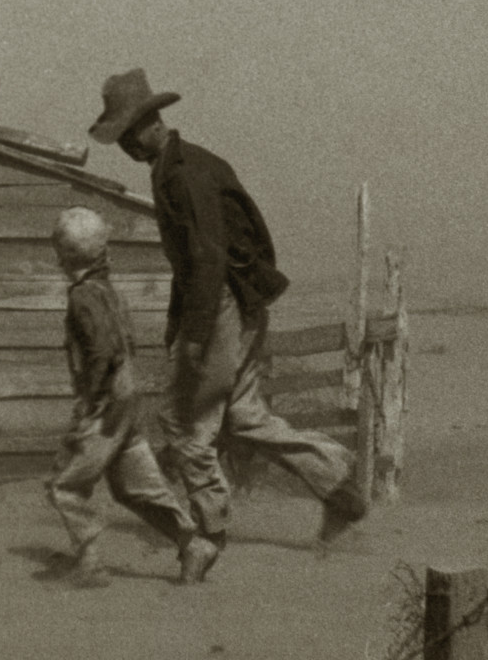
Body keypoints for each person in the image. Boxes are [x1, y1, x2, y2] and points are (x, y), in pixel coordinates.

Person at [87, 69, 368, 583]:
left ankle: (209, 536)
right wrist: (182, 324)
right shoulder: (176, 164)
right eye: (121, 137)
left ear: (151, 122)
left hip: (222, 304)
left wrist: (194, 336)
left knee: (187, 423)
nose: (126, 145)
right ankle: (339, 485)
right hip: (229, 303)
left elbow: (208, 257)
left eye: (129, 133)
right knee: (245, 417)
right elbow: (194, 261)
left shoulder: (183, 173)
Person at [42, 206, 199, 587]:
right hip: (129, 399)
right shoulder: (110, 291)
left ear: (65, 255)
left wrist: (90, 405)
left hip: (108, 401)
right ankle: (192, 544)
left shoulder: (82, 297)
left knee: (65, 484)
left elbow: (101, 351)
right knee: (135, 485)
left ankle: (90, 562)